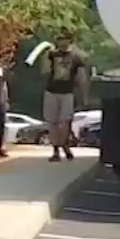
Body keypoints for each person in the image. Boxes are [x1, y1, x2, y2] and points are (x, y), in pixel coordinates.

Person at [42, 31, 88, 162]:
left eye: (64, 39)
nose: (61, 41)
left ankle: (65, 145)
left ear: (70, 40)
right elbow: (44, 71)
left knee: (65, 122)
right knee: (52, 122)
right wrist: (46, 55)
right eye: (59, 39)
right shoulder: (52, 54)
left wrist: (84, 95)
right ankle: (56, 149)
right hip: (51, 91)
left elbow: (82, 78)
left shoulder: (76, 57)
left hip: (67, 92)